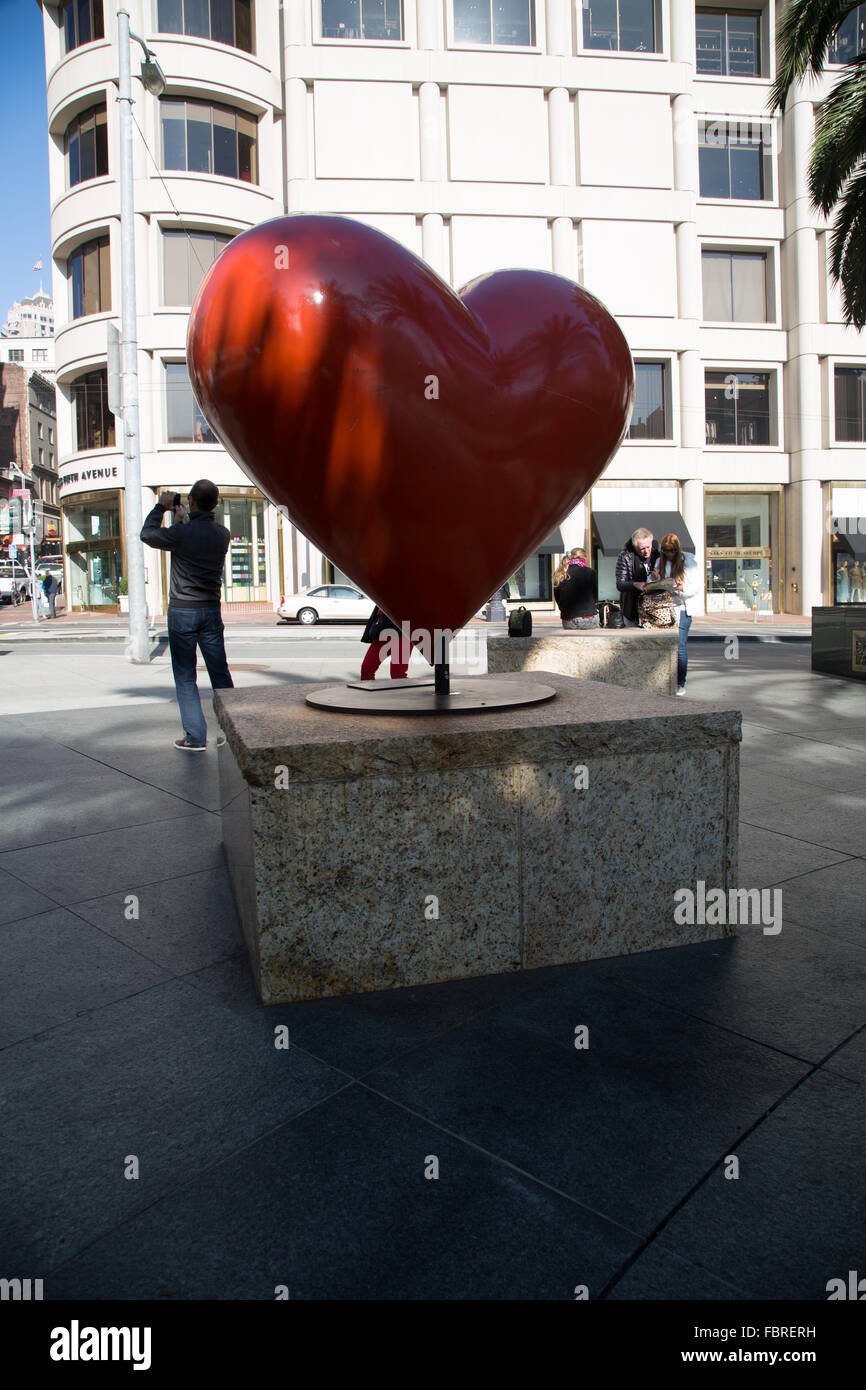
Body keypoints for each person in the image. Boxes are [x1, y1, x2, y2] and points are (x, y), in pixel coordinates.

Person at [140, 480, 233, 751]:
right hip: (211, 611)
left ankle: (195, 737)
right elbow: (192, 544)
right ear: (215, 503)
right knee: (220, 673)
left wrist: (161, 508)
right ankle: (233, 731)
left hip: (183, 611)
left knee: (185, 676)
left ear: (191, 501)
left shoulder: (181, 534)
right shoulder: (222, 534)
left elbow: (148, 535)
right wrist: (181, 522)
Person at [650, 532, 701, 694]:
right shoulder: (660, 561)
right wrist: (654, 578)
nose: (669, 554)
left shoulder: (689, 562)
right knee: (664, 646)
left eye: (671, 551)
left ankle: (680, 683)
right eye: (665, 551)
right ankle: (664, 680)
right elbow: (652, 585)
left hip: (683, 608)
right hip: (664, 609)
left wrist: (681, 588)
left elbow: (696, 586)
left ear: (677, 550)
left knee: (679, 648)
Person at [615, 527, 660, 627]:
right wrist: (635, 584)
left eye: (648, 547)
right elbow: (620, 584)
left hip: (655, 608)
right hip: (632, 608)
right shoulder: (625, 556)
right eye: (642, 549)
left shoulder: (657, 554)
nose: (646, 551)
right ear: (634, 547)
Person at [360, 606, 414, 680]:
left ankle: (403, 690)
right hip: (383, 633)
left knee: (397, 674)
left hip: (403, 634)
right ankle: (369, 690)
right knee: (367, 668)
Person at [553, 548, 599, 628]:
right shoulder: (590, 572)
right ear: (584, 558)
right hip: (588, 617)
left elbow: (557, 598)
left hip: (568, 620)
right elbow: (595, 595)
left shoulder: (561, 573)